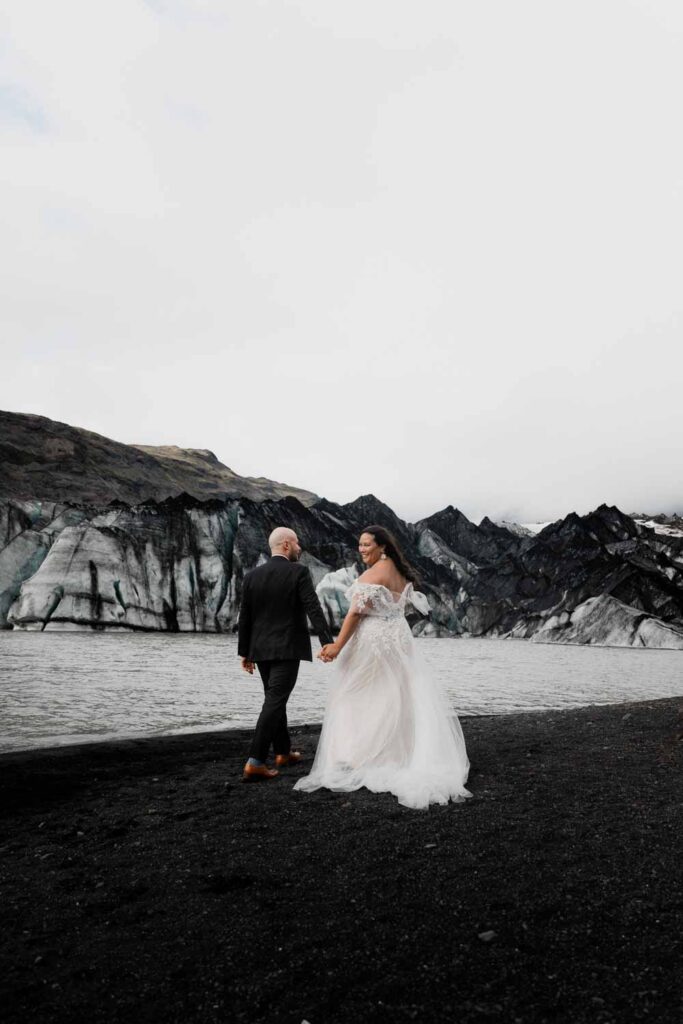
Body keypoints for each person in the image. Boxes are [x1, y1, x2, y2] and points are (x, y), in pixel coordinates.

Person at [294, 525, 472, 810]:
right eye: (360, 545)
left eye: (367, 545)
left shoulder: (372, 574)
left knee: (357, 695)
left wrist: (337, 646)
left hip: (375, 640)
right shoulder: (399, 573)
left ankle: (363, 755)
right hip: (398, 640)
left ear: (383, 547)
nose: (361, 549)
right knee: (394, 694)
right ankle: (395, 753)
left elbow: (354, 613)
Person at [238, 526, 333, 782]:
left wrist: (244, 652)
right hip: (287, 647)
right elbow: (313, 607)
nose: (300, 548)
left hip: (260, 649)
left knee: (274, 698)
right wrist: (327, 641)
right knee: (275, 701)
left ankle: (282, 752)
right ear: (287, 545)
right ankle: (255, 761)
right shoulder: (298, 572)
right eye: (298, 543)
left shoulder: (252, 576)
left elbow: (245, 617)